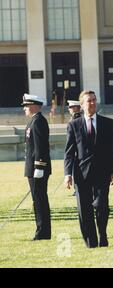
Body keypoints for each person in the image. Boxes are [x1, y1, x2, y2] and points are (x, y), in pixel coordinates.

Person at [64, 91, 113, 248]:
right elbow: (69, 152)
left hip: (102, 172)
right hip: (81, 173)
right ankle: (91, 241)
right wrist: (67, 174)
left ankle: (103, 233)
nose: (93, 103)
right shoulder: (74, 125)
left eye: (94, 100)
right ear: (82, 105)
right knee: (84, 209)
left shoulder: (107, 123)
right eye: (89, 101)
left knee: (102, 205)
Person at [22, 94, 52, 241]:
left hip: (37, 169)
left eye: (27, 106)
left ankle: (43, 232)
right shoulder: (33, 121)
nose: (25, 109)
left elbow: (41, 146)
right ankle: (41, 230)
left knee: (40, 200)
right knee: (38, 200)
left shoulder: (39, 121)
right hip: (32, 168)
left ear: (34, 106)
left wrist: (39, 166)